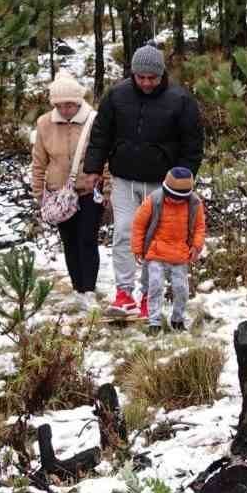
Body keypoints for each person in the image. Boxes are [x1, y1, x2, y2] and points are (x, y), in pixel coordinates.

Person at [76, 44, 204, 319]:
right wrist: (93, 168)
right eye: (140, 77)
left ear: (161, 75)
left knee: (154, 239)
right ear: (132, 73)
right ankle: (124, 294)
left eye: (152, 78)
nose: (146, 82)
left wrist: (184, 179)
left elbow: (192, 145)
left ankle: (149, 295)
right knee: (123, 232)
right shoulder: (116, 96)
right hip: (123, 179)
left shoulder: (181, 101)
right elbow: (101, 134)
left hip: (163, 185)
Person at [31, 70, 104, 303]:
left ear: (79, 100)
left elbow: (107, 158)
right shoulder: (44, 123)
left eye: (70, 104)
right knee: (70, 242)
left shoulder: (95, 120)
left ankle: (89, 290)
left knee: (87, 240)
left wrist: (108, 191)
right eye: (59, 105)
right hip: (58, 196)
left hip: (89, 191)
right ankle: (77, 289)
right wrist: (38, 194)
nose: (65, 109)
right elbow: (38, 162)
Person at [129, 167, 205, 331]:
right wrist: (137, 248)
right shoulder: (154, 200)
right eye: (174, 197)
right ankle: (154, 321)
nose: (178, 201)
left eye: (182, 198)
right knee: (154, 285)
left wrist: (196, 246)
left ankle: (178, 319)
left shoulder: (194, 203)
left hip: (180, 254)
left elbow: (199, 227)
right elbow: (139, 224)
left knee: (182, 289)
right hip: (156, 253)